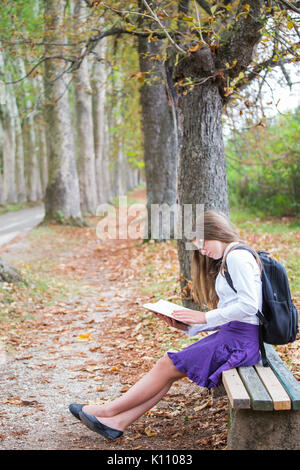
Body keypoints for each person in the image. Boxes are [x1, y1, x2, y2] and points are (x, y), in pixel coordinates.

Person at [69, 210, 262, 440]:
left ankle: (108, 411)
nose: (203, 250)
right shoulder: (230, 257)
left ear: (216, 232)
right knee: (168, 369)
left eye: (202, 243)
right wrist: (188, 326)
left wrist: (203, 318)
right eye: (198, 246)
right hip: (235, 336)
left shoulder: (237, 257)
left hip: (240, 342)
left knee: (167, 365)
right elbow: (235, 312)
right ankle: (116, 422)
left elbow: (250, 306)